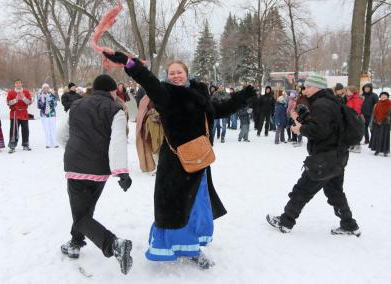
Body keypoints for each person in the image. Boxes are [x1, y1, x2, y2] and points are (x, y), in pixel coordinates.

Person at [103, 51, 255, 268]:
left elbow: (217, 110)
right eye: (172, 73)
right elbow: (148, 79)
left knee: (196, 207)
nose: (176, 76)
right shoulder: (165, 93)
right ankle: (177, 247)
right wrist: (130, 63)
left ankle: (192, 248)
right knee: (176, 207)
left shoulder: (199, 92)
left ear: (187, 73)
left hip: (199, 159)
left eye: (179, 72)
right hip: (175, 163)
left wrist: (242, 97)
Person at [266, 74, 360, 237]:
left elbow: (320, 131)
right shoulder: (331, 101)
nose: (305, 89)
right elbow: (325, 125)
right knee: (335, 192)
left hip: (324, 158)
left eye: (308, 86)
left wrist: (299, 129)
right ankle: (349, 225)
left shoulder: (321, 104)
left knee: (302, 189)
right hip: (337, 156)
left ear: (317, 87)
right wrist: (301, 119)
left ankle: (285, 221)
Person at [60, 74, 133, 275]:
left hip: (75, 166)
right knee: (85, 210)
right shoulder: (115, 109)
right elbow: (117, 141)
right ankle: (75, 242)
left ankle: (113, 244)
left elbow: (61, 136)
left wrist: (75, 149)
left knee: (81, 214)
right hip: (99, 169)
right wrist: (121, 172)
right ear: (112, 91)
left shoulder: (76, 106)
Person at [6, 79, 32, 153]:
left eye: (19, 83)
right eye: (16, 83)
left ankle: (25, 144)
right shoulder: (11, 93)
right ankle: (12, 146)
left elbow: (29, 102)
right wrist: (15, 99)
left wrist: (23, 98)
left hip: (24, 113)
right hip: (15, 113)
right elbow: (8, 103)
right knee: (13, 130)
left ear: (21, 84)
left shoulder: (26, 92)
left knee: (25, 129)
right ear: (15, 84)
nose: (18, 84)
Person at [369, 92, 391, 157]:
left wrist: (386, 119)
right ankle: (377, 150)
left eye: (385, 95)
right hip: (376, 122)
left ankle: (385, 151)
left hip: (386, 123)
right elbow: (373, 113)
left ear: (387, 97)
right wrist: (374, 121)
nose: (383, 96)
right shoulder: (377, 104)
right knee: (377, 137)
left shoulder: (390, 104)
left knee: (384, 137)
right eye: (382, 95)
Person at [37, 83, 59, 148]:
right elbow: (38, 106)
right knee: (46, 129)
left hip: (52, 114)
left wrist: (50, 101)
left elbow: (55, 104)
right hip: (44, 115)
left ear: (49, 88)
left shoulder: (52, 95)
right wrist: (43, 103)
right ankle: (48, 143)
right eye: (44, 88)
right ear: (42, 89)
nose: (46, 89)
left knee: (53, 128)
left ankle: (54, 142)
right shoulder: (40, 95)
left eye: (47, 88)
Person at [345, 86, 364, 153]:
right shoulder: (350, 98)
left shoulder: (356, 99)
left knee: (356, 131)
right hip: (350, 117)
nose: (346, 92)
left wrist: (354, 116)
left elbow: (357, 109)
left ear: (352, 92)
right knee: (351, 131)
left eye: (348, 91)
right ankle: (352, 145)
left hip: (354, 118)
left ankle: (357, 146)